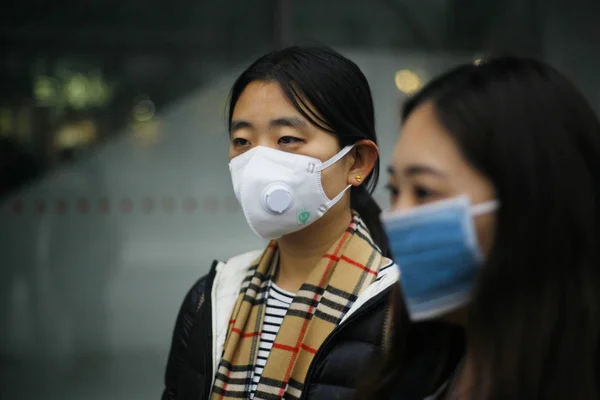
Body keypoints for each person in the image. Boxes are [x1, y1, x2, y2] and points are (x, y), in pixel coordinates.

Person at [161, 45, 401, 400]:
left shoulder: (398, 309)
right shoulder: (211, 298)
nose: (259, 161)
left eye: (287, 139)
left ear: (357, 162)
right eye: (242, 141)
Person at [359, 56, 600, 399]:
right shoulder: (417, 369)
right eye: (395, 191)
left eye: (424, 191)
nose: (397, 218)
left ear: (530, 203)